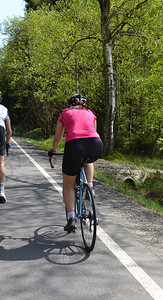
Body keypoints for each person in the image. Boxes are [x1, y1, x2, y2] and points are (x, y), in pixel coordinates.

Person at [49, 94, 103, 233]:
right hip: (96, 145)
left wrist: (53, 150)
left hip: (74, 146)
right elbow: (93, 132)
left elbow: (58, 135)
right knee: (88, 160)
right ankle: (90, 186)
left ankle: (71, 218)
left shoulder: (65, 113)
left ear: (70, 104)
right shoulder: (91, 114)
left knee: (68, 185)